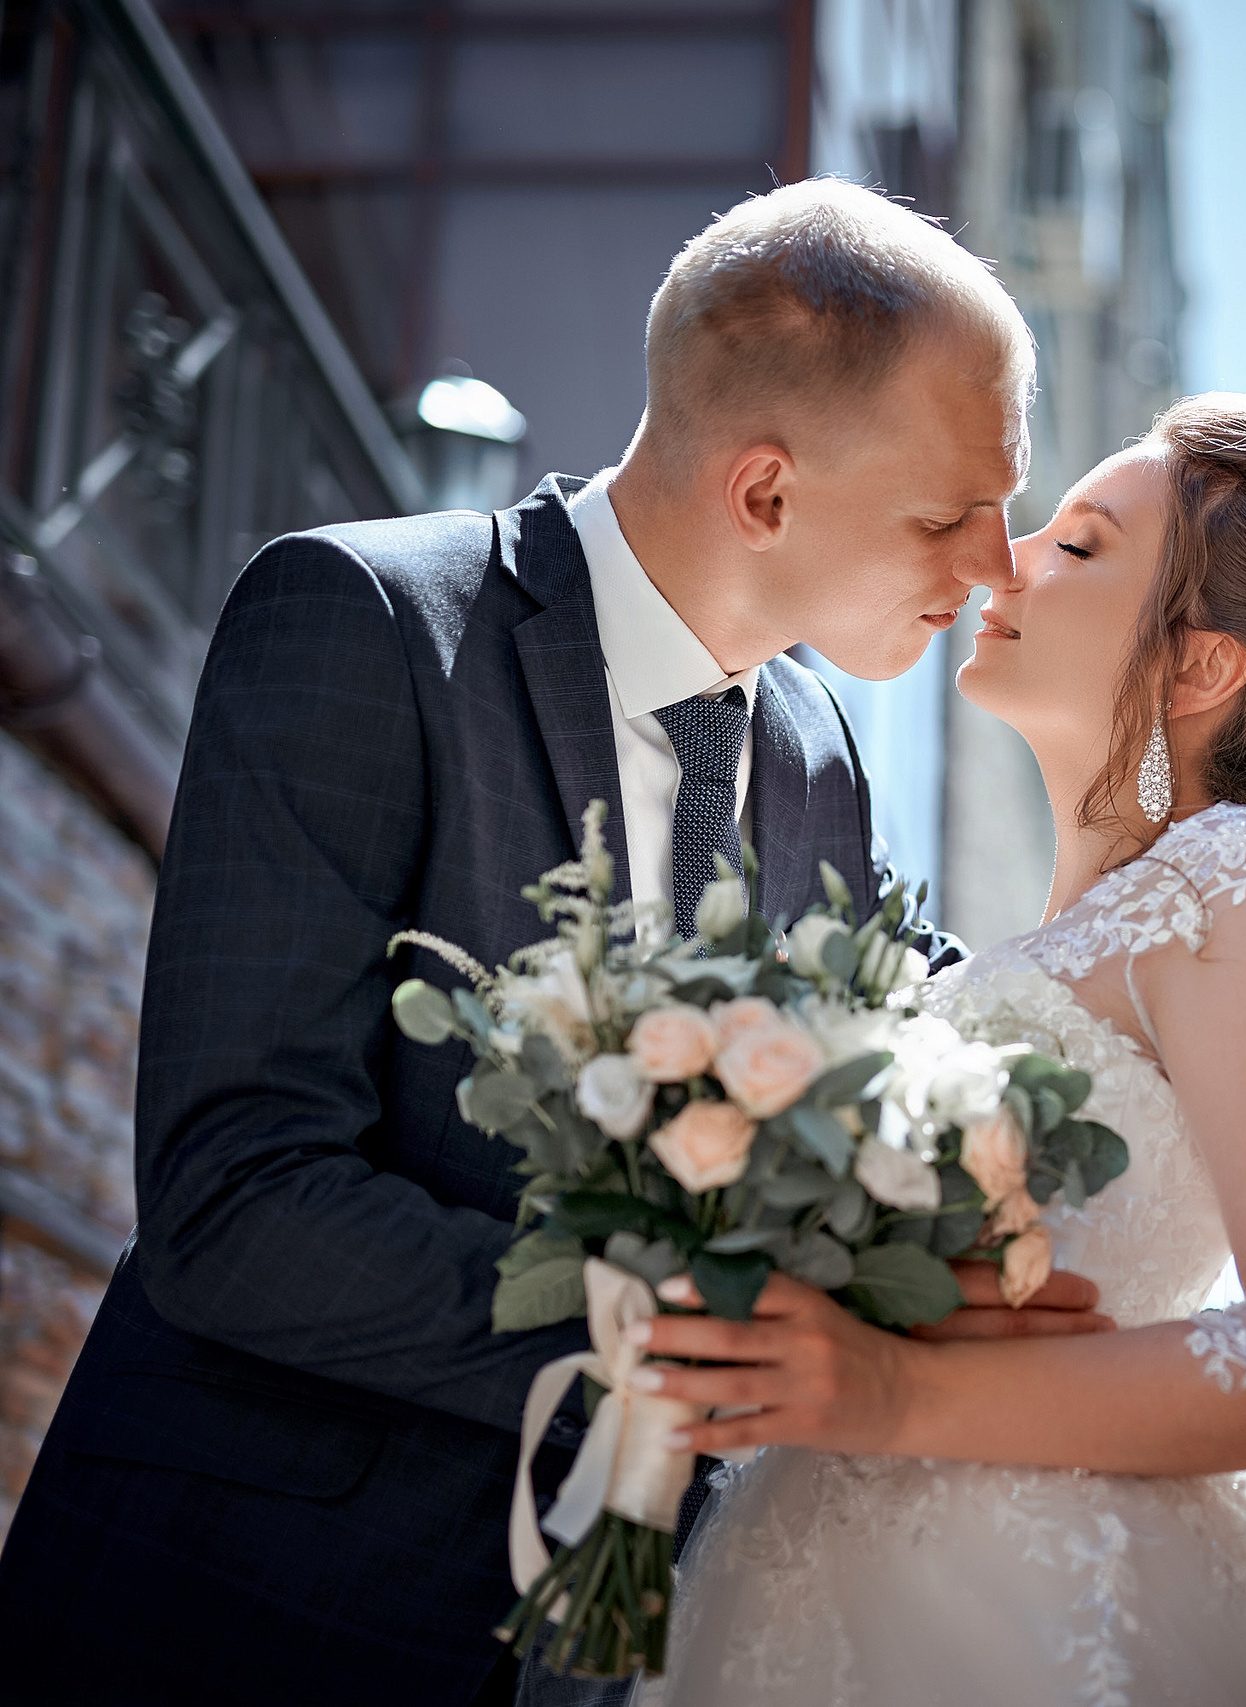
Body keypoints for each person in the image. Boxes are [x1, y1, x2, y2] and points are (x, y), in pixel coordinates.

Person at [0, 181, 1114, 1707]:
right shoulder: (363, 623)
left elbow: (924, 1031)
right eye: (946, 517)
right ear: (767, 494)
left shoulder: (822, 758)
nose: (996, 567)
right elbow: (234, 1202)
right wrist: (680, 1345)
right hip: (249, 1610)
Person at [620, 395, 1246, 1707]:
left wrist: (891, 1397)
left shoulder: (1238, 882)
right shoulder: (1077, 936)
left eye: (1083, 544)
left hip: (1034, 1617)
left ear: (1201, 667)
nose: (1005, 557)